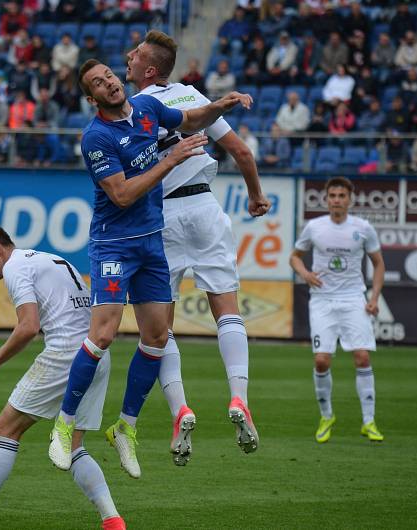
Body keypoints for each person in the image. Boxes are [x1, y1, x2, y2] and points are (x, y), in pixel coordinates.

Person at [47, 56, 253, 478]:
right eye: (98, 84)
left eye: (109, 76)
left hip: (151, 245)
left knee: (156, 338)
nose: (109, 83)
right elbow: (122, 195)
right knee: (102, 334)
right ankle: (65, 423)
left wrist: (220, 106)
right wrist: (171, 159)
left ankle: (126, 426)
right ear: (92, 98)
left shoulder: (146, 109)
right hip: (113, 246)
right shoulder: (96, 137)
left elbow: (191, 117)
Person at [125, 30, 271, 465]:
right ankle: (239, 397)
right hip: (205, 207)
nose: (127, 59)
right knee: (227, 309)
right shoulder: (191, 95)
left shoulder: (132, 110)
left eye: (134, 56)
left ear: (149, 70)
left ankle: (180, 409)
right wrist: (256, 197)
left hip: (161, 215)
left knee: (159, 325)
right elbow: (241, 152)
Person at [0, 223, 125, 530]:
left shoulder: (16, 267)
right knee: (73, 446)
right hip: (96, 354)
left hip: (66, 353)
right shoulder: (49, 259)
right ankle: (113, 522)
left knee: (5, 428)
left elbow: (28, 326)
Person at [289, 176, 385, 445]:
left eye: (342, 196)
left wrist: (374, 298)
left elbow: (378, 264)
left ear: (350, 199)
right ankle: (326, 416)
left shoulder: (363, 228)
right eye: (332, 196)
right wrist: (305, 274)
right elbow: (294, 257)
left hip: (354, 298)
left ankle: (369, 421)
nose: (337, 201)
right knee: (321, 360)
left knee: (363, 357)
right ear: (326, 199)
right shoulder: (314, 227)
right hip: (322, 301)